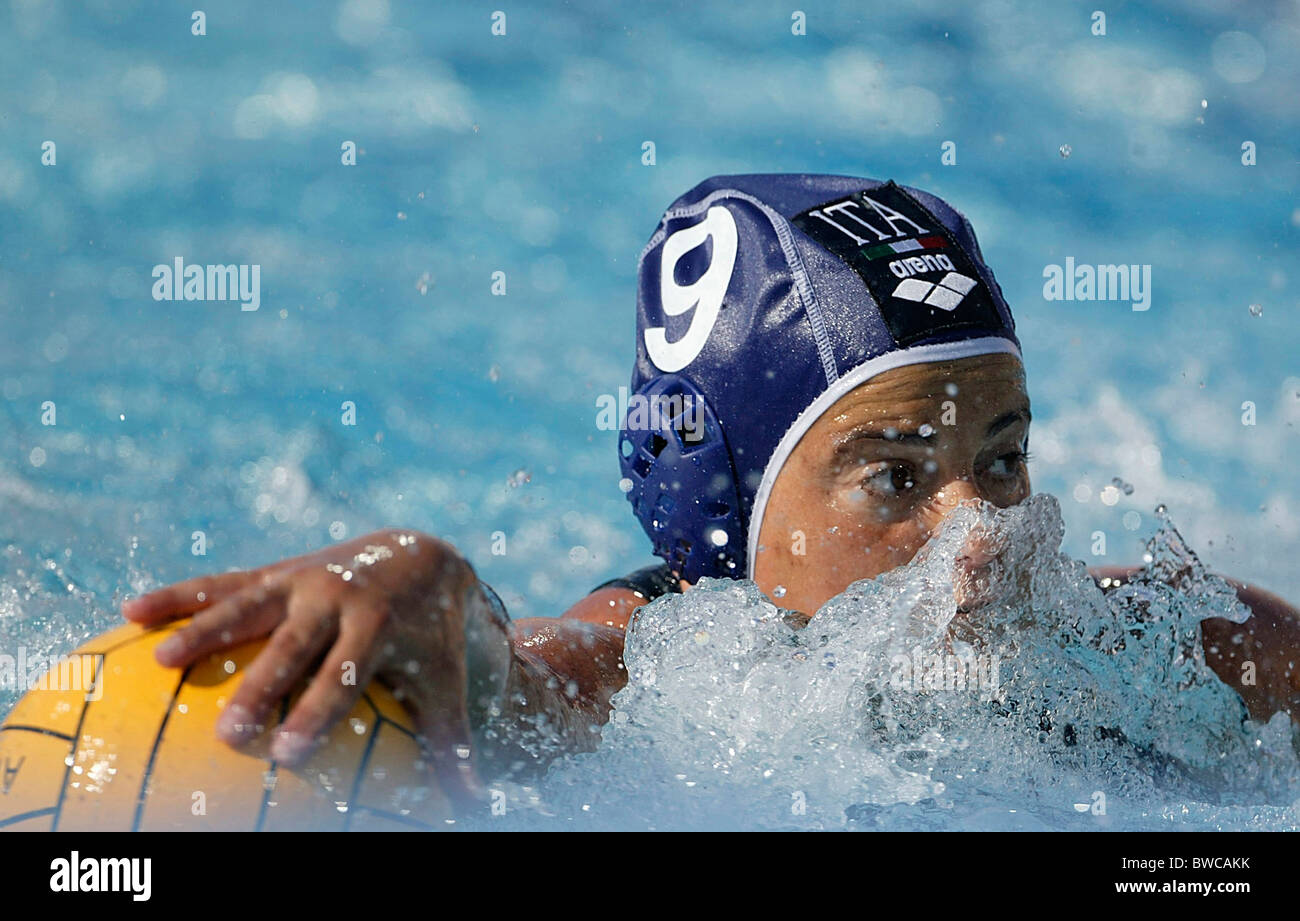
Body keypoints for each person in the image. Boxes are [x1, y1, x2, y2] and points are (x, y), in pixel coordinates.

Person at [122, 174, 1300, 809]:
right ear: (732, 506)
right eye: (895, 477)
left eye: (1001, 457)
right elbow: (517, 691)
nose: (981, 529)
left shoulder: (1150, 647)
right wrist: (420, 579)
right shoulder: (660, 662)